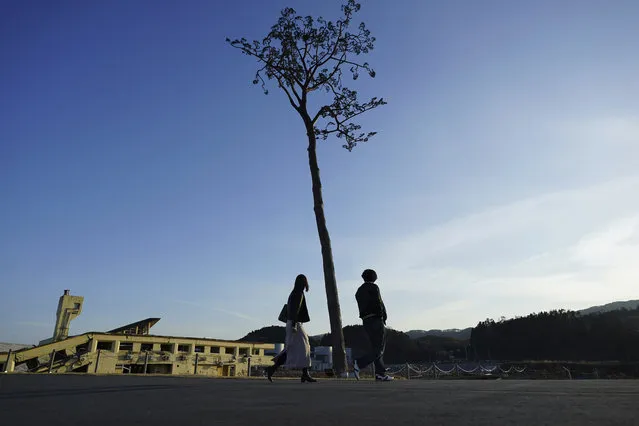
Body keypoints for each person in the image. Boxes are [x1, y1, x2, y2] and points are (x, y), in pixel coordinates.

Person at [266, 274, 316, 383]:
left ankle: (304, 373)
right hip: (295, 324)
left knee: (294, 348)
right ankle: (304, 374)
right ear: (304, 283)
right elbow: (295, 310)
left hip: (292, 323)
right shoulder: (298, 294)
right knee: (304, 347)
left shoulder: (294, 293)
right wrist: (294, 324)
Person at [353, 269, 393, 381]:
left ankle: (380, 373)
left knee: (375, 347)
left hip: (366, 321)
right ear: (373, 277)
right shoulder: (374, 287)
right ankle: (359, 363)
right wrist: (383, 316)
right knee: (379, 348)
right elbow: (378, 302)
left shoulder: (359, 290)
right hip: (376, 319)